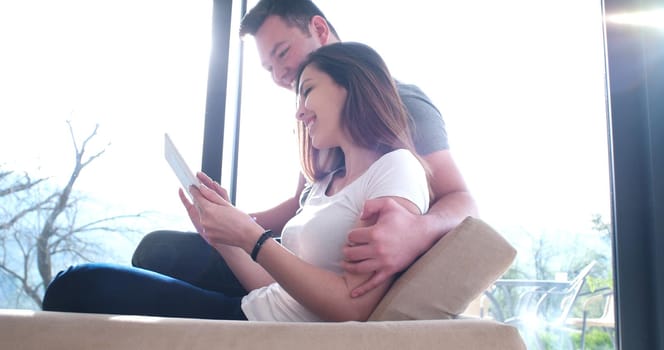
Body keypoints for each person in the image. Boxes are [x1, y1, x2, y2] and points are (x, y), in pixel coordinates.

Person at [43, 42, 430, 322]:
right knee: (82, 284)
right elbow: (271, 285)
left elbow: (352, 307)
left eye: (308, 90)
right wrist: (225, 240)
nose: (299, 111)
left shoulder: (395, 168)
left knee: (76, 285)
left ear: (352, 84)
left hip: (258, 329)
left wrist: (253, 236)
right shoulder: (325, 183)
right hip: (250, 312)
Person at [131, 0, 477, 299]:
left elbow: (463, 200)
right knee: (157, 253)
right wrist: (230, 221)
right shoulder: (317, 122)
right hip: (287, 260)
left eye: (283, 53)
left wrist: (418, 232)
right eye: (269, 68)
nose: (280, 74)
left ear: (319, 29)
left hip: (313, 277)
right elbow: (299, 207)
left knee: (158, 253)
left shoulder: (398, 106)